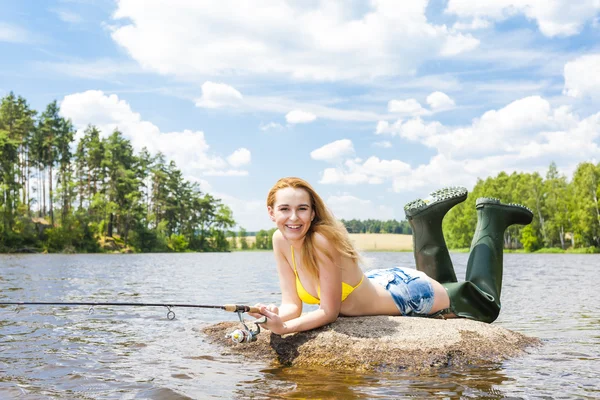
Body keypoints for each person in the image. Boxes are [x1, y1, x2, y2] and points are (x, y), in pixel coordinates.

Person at [252, 177, 532, 335]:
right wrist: (270, 316)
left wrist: (285, 329)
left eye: (302, 209)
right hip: (380, 283)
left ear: (313, 213)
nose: (293, 217)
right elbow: (291, 304)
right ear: (271, 212)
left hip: (406, 293)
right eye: (285, 209)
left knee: (485, 304)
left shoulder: (321, 241)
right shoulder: (280, 240)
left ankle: (492, 219)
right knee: (449, 287)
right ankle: (425, 223)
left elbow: (329, 312)